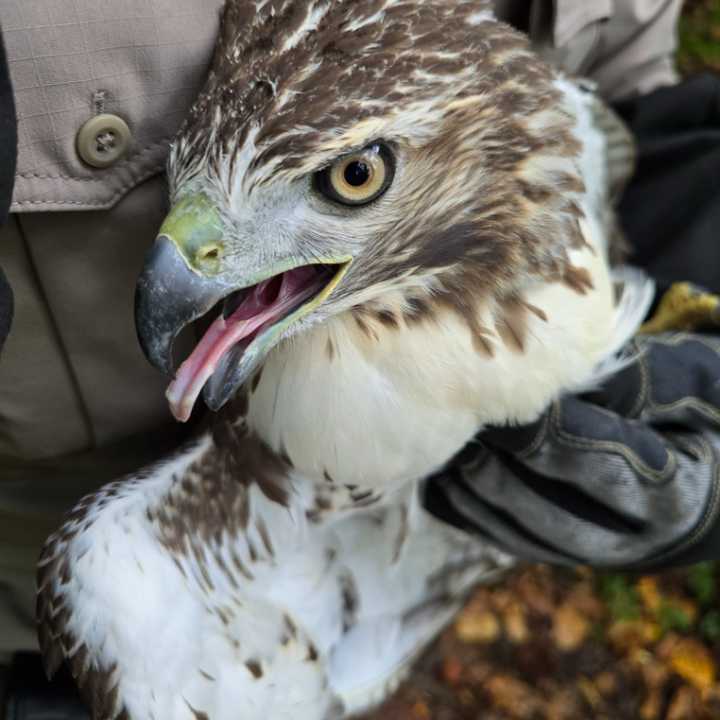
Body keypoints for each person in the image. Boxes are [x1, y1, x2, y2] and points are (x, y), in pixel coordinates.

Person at [0, 0, 715, 717]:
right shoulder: (134, 585)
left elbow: (627, 57)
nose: (191, 263)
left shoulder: (531, 135)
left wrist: (697, 237)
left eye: (352, 179)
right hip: (61, 532)